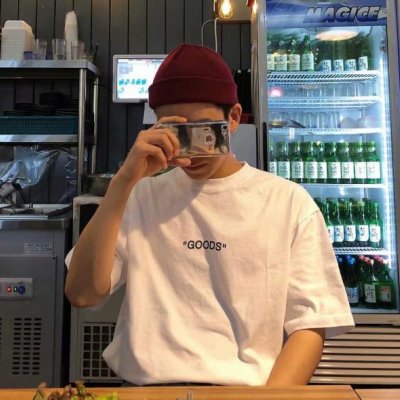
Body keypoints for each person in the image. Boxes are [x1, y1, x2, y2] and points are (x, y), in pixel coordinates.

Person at [65, 43, 354, 386]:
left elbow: (310, 324)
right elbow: (83, 294)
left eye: (204, 129)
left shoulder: (288, 202)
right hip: (148, 390)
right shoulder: (140, 196)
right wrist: (123, 182)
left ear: (233, 118)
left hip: (247, 393)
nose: (192, 148)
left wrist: (270, 399)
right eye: (175, 131)